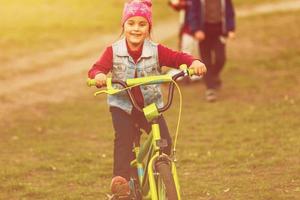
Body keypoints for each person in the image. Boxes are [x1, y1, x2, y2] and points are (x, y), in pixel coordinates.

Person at [87, 0, 207, 196]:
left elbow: (178, 57)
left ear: (149, 28)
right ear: (123, 25)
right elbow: (97, 68)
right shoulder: (113, 51)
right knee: (124, 141)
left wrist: (194, 61)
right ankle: (121, 184)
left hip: (150, 107)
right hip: (122, 106)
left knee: (165, 142)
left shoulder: (156, 51)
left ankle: (160, 172)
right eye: (131, 23)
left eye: (142, 24)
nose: (136, 28)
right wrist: (99, 76)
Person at [189, 0, 236, 102]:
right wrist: (196, 30)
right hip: (203, 32)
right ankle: (210, 89)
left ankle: (212, 76)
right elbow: (193, 13)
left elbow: (230, 12)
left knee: (221, 59)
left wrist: (231, 29)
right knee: (206, 61)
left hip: (219, 31)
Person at [167, 0, 201, 82]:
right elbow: (178, 6)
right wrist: (175, 3)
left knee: (197, 53)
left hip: (200, 29)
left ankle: (192, 74)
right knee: (186, 53)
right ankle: (185, 75)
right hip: (188, 29)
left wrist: (180, 4)